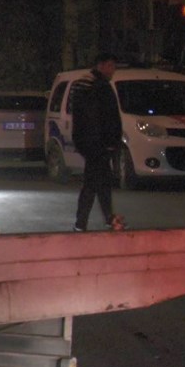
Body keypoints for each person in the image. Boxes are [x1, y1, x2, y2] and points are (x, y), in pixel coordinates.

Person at [71, 52, 124, 232]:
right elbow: (103, 117)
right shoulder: (99, 86)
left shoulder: (82, 83)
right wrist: (109, 142)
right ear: (101, 65)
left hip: (87, 141)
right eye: (111, 66)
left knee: (102, 181)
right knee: (93, 182)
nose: (113, 71)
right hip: (97, 143)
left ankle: (108, 217)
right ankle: (81, 223)